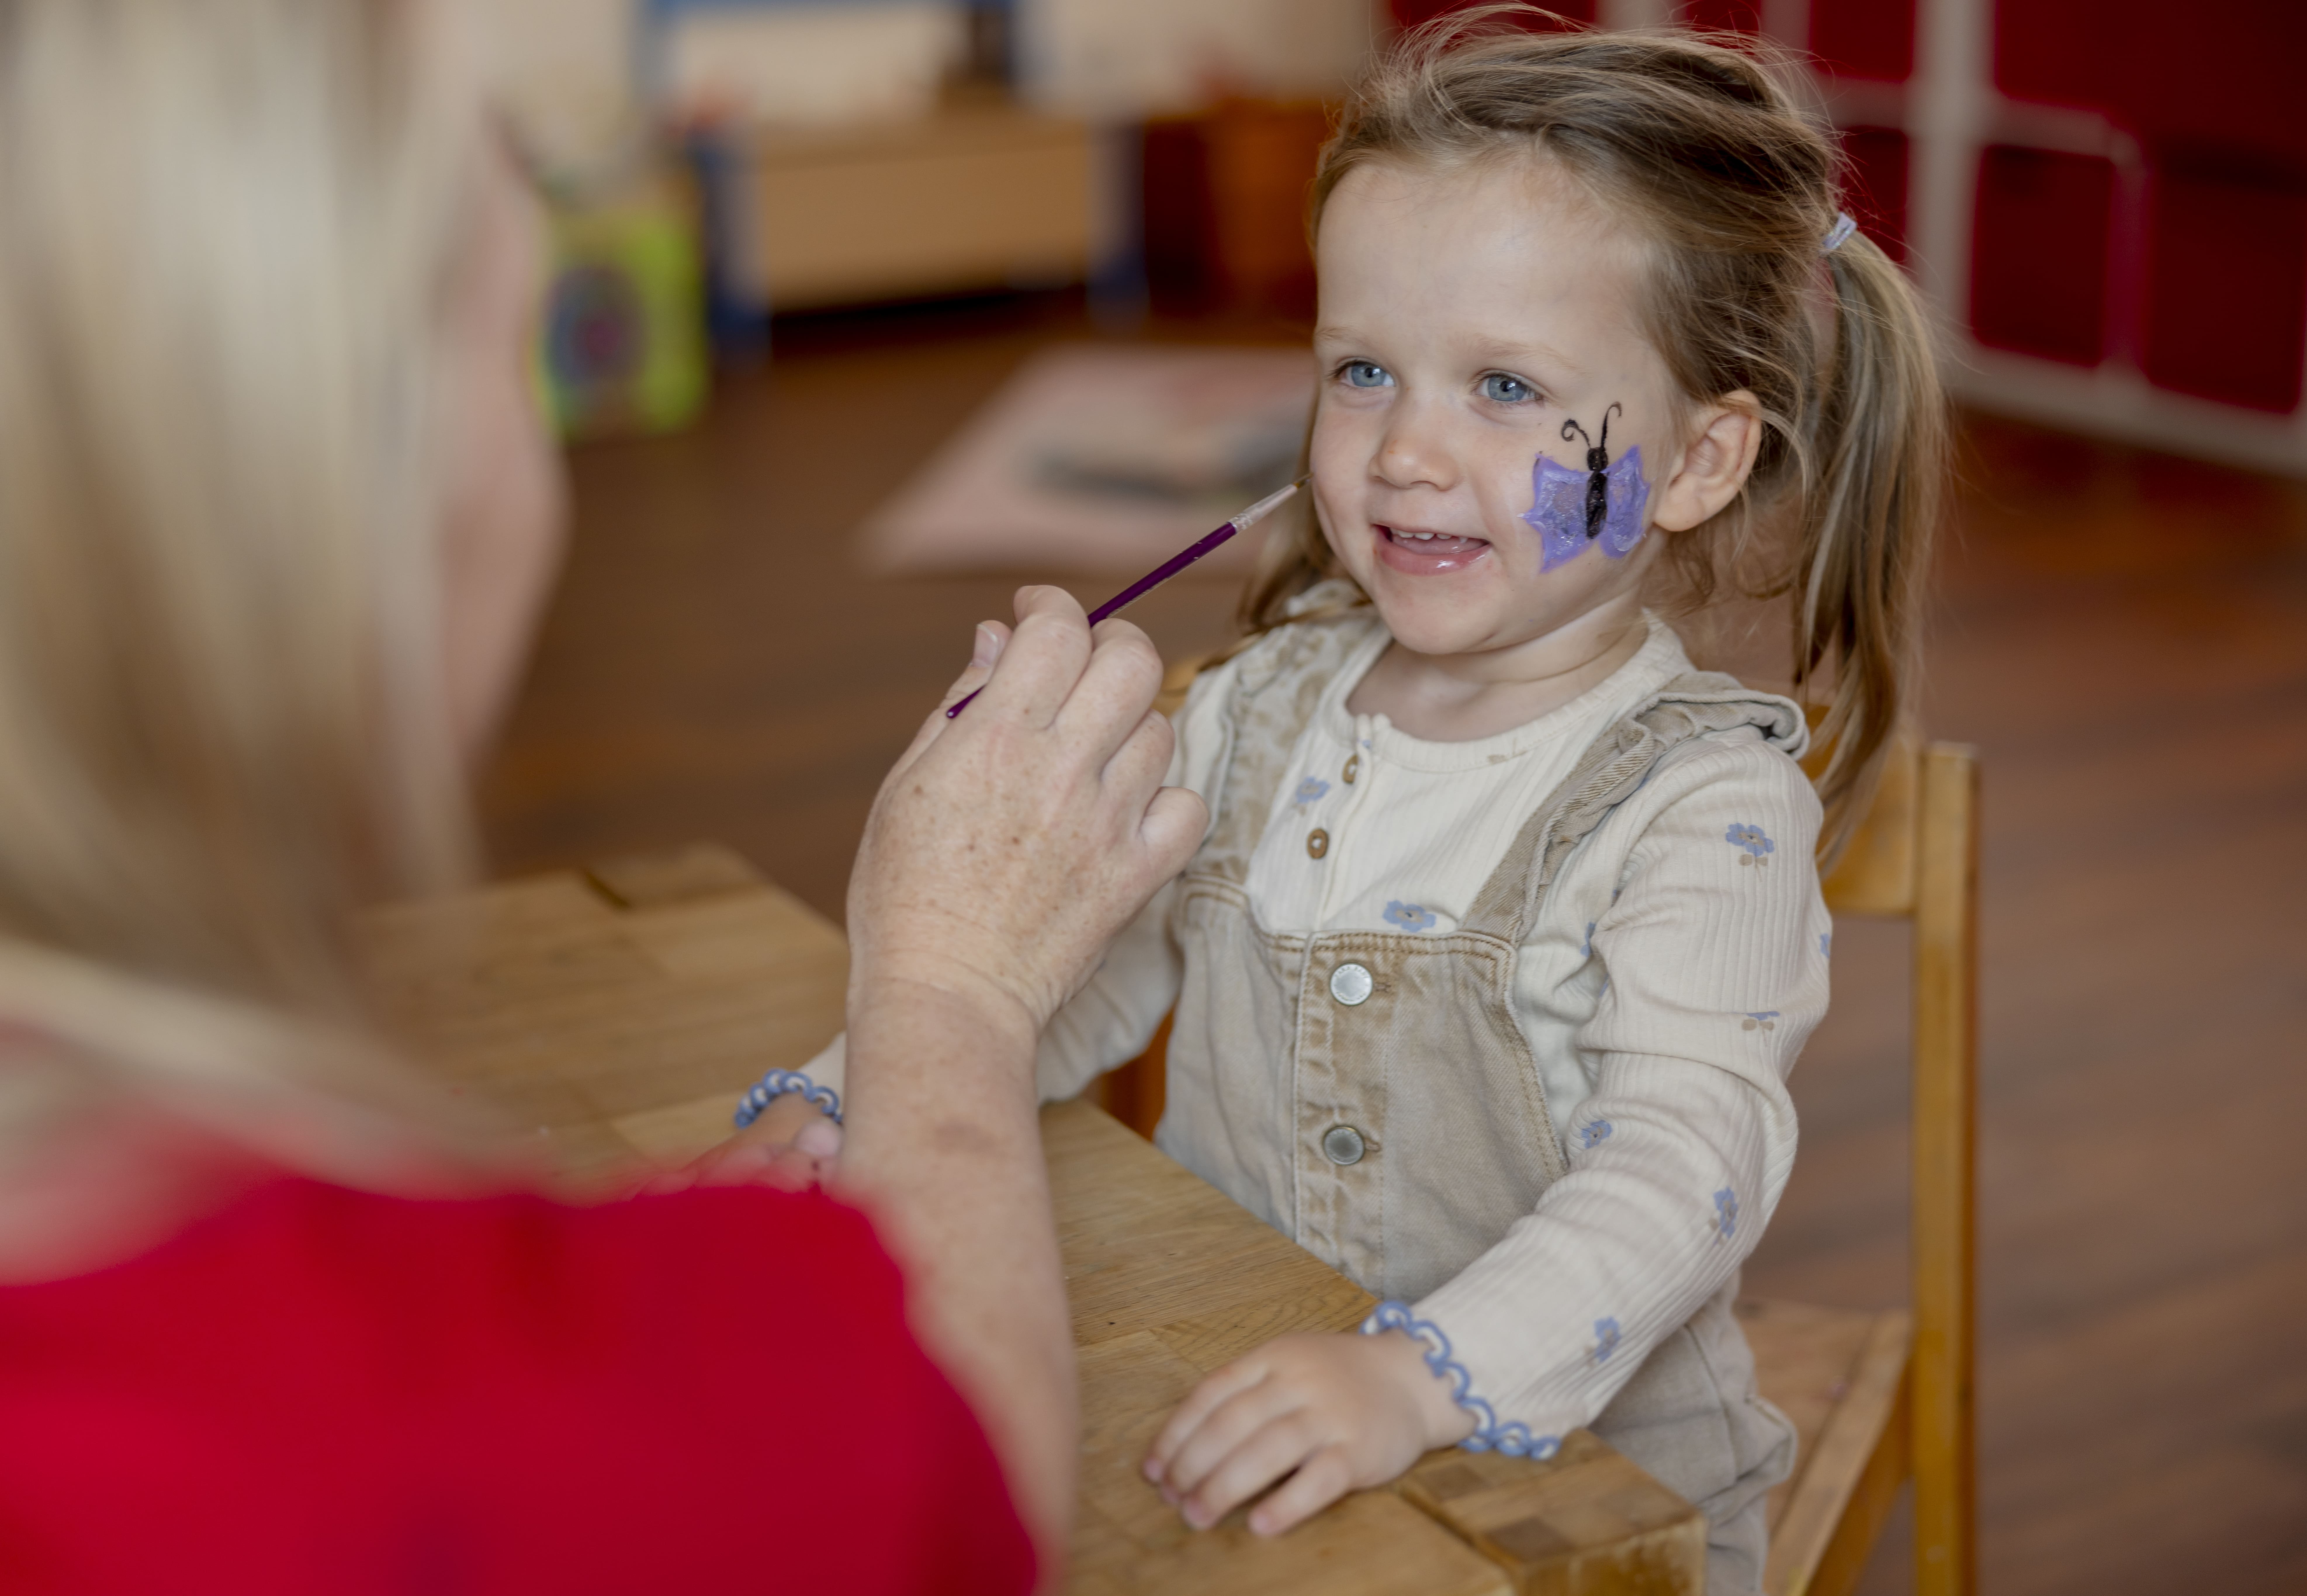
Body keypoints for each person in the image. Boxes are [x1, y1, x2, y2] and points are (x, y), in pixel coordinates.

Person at [0, 3, 1203, 1590]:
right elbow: (941, 1472)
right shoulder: (385, 1408)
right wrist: (954, 988)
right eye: (519, 339)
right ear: (352, 486)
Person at [748, 17, 1946, 1592]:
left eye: (1507, 387)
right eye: (1362, 369)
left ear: (1699, 459)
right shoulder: (1257, 707)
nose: (1406, 451)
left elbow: (1683, 1176)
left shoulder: (1702, 812)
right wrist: (858, 1090)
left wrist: (1420, 1378)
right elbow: (1073, 970)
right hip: (1248, 1407)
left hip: (1587, 1509)